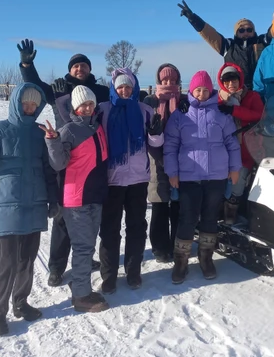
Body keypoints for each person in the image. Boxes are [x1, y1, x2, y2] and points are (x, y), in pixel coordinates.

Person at [0, 83, 57, 336]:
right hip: (7, 205)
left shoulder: (40, 132)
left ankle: (21, 303)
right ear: (16, 103)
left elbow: (49, 170)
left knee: (27, 261)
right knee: (5, 264)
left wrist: (53, 199)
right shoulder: (1, 129)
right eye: (25, 103)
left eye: (34, 104)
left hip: (35, 203)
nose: (29, 108)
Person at [17, 39, 107, 286]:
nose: (80, 69)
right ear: (70, 70)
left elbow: (123, 95)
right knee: (64, 216)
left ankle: (85, 257)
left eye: (84, 66)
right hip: (64, 153)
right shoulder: (59, 88)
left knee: (88, 213)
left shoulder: (99, 91)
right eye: (76, 66)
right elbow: (34, 85)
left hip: (90, 156)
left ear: (89, 70)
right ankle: (56, 266)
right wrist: (27, 64)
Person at [164, 71, 242, 284]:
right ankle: (181, 262)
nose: (201, 93)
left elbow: (232, 143)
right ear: (191, 90)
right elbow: (170, 146)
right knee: (187, 218)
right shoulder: (180, 115)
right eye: (197, 89)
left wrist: (234, 168)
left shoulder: (221, 115)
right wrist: (172, 173)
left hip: (216, 175)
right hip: (189, 176)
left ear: (211, 91)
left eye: (205, 90)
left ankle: (206, 258)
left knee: (209, 217)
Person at [43, 86, 111, 313]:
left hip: (95, 196)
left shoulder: (97, 127)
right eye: (83, 104)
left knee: (88, 244)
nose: (87, 107)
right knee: (83, 247)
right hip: (76, 199)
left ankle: (79, 283)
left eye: (90, 103)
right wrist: (52, 140)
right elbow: (58, 164)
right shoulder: (69, 130)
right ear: (74, 107)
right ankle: (81, 296)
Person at [97, 68, 164, 293]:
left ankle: (133, 272)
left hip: (137, 179)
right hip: (112, 179)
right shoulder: (102, 110)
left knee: (136, 227)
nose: (124, 90)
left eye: (128, 86)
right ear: (114, 89)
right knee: (109, 229)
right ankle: (109, 276)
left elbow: (154, 143)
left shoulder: (144, 110)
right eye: (120, 87)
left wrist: (156, 132)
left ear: (134, 88)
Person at [176, 0, 274, 89]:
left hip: (261, 92)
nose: (245, 32)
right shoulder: (228, 46)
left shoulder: (263, 42)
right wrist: (193, 18)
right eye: (241, 30)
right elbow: (209, 34)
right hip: (236, 93)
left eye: (249, 29)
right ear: (236, 33)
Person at [143, 63, 190, 263]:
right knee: (160, 203)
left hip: (182, 159)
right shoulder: (150, 100)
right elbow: (143, 129)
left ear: (178, 82)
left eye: (172, 80)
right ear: (159, 81)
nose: (169, 83)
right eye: (165, 80)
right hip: (155, 158)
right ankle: (160, 247)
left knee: (179, 205)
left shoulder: (186, 100)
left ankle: (177, 244)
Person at [216, 63, 264, 224]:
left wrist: (234, 110)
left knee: (237, 184)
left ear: (240, 80)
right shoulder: (218, 99)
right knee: (220, 186)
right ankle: (216, 217)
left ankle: (231, 219)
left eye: (234, 80)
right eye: (227, 80)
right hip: (221, 150)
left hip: (246, 149)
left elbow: (259, 115)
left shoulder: (251, 97)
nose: (231, 84)